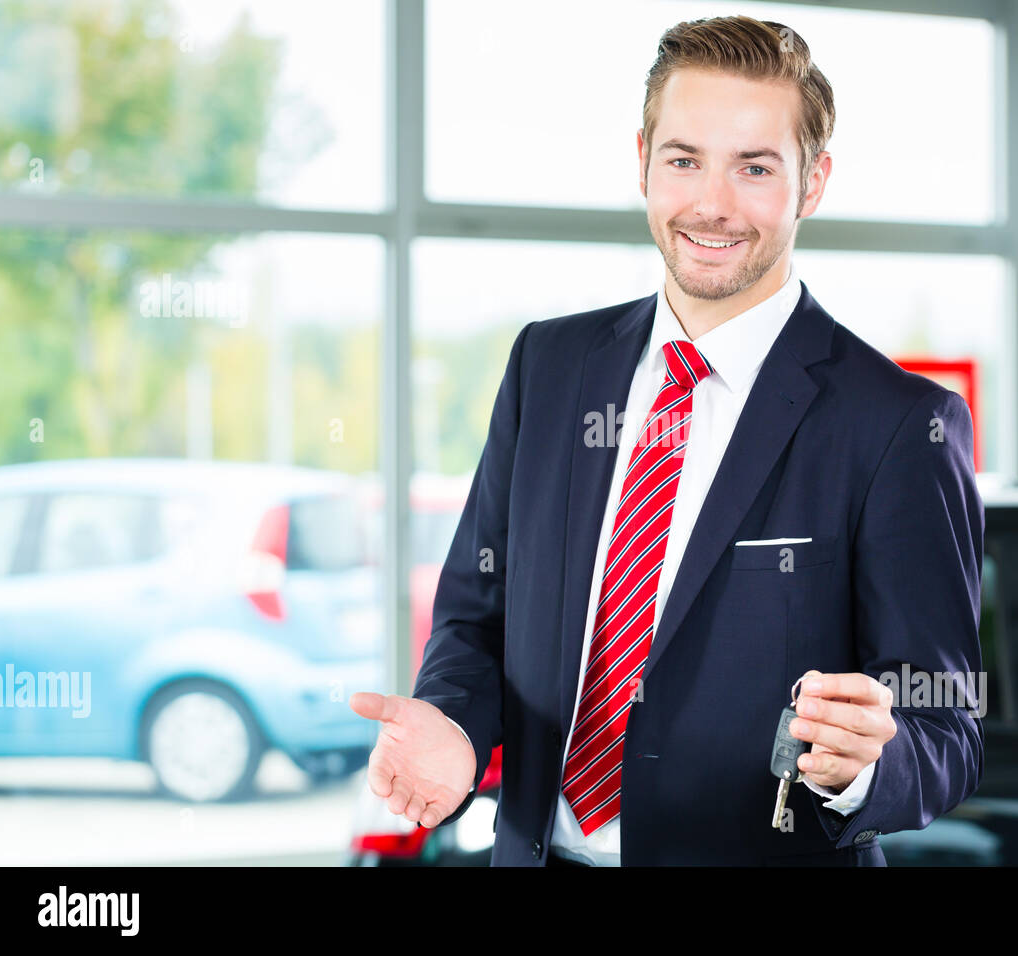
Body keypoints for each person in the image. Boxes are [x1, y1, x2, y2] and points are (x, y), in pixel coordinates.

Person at [351, 14, 983, 867]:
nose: (712, 204)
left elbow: (947, 726)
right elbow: (476, 619)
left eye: (755, 168)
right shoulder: (550, 365)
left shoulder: (900, 424)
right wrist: (457, 727)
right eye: (684, 159)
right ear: (642, 158)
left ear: (814, 181)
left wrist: (870, 763)